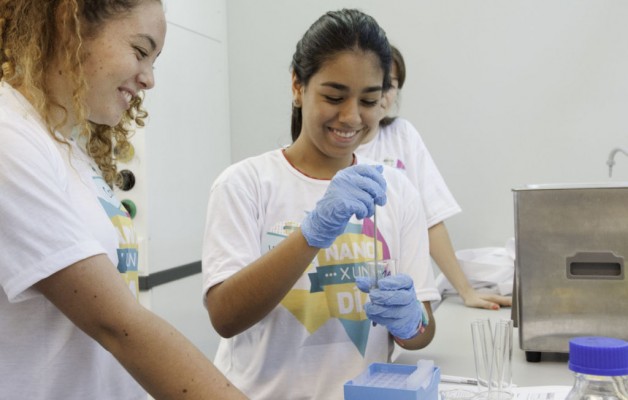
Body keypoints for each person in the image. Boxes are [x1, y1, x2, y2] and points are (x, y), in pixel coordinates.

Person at [0, 1, 246, 399]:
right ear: (70, 22)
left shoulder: (65, 148)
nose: (149, 79)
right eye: (140, 51)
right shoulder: (8, 138)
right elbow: (118, 326)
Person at [202, 9, 440, 400]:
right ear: (298, 85)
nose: (351, 116)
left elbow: (421, 333)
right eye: (334, 96)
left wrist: (411, 320)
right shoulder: (245, 184)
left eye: (368, 100)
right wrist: (311, 234)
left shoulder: (395, 190)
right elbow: (225, 317)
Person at [355, 45, 512, 310]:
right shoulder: (333, 147)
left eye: (390, 85)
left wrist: (467, 292)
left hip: (401, 294)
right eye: (374, 85)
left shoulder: (402, 135)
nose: (381, 95)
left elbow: (431, 219)